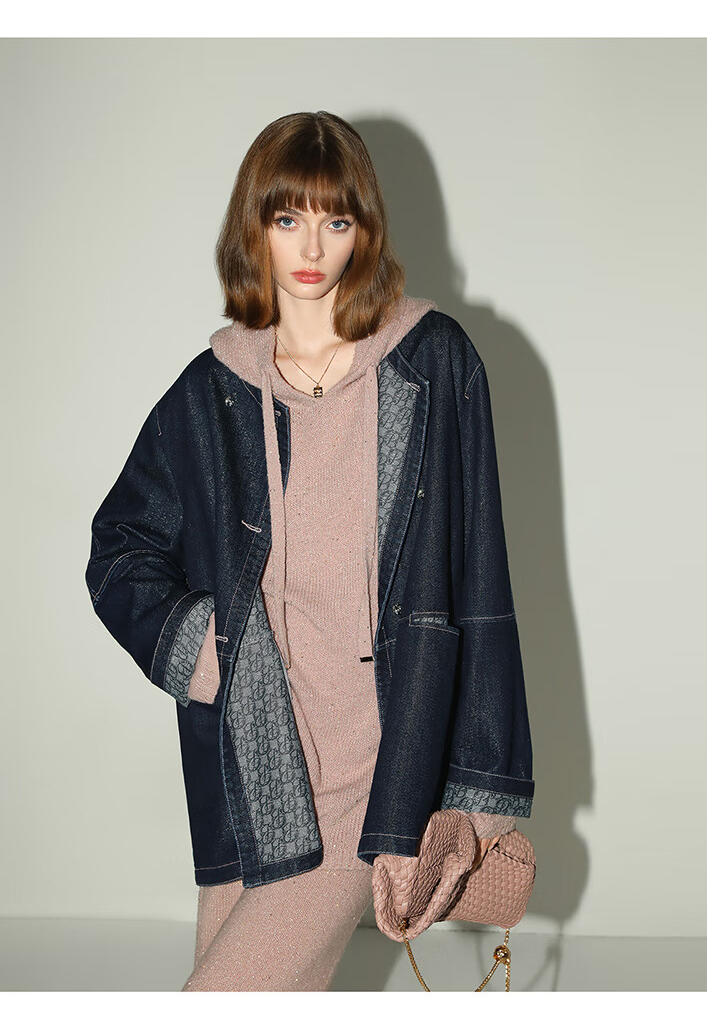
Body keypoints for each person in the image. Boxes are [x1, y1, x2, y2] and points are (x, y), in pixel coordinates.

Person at [85, 111, 535, 991]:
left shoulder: (432, 363)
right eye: (288, 217)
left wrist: (478, 793)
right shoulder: (213, 391)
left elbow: (481, 577)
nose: (313, 245)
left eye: (337, 219)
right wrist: (209, 654)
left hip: (376, 763)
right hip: (253, 764)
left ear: (365, 230)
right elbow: (119, 548)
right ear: (253, 228)